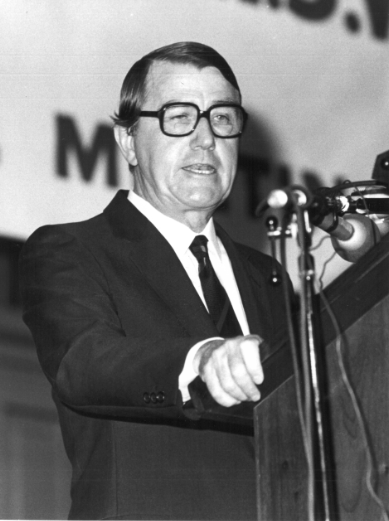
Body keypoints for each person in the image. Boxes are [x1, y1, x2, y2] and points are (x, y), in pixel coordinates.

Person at [19, 42, 293, 520]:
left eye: (222, 118)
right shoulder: (72, 250)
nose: (207, 138)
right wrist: (201, 360)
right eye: (179, 116)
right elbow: (83, 364)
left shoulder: (268, 276)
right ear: (127, 141)